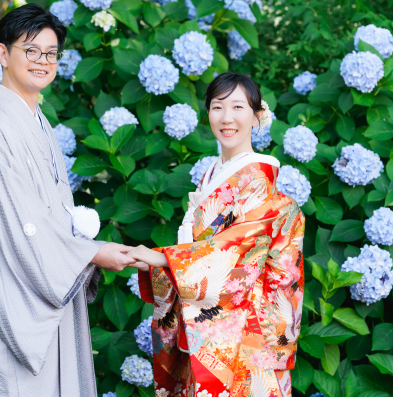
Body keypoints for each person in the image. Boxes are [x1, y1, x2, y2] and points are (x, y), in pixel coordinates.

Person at [0, 3, 135, 396]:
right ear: (3, 54)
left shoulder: (38, 121)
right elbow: (22, 226)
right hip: (13, 301)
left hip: (44, 288)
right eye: (30, 50)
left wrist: (85, 250)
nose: (42, 61)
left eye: (50, 54)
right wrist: (91, 253)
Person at [127, 72, 305, 397]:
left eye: (238, 107)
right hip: (209, 323)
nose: (226, 118)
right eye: (217, 107)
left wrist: (161, 259)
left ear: (257, 115)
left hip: (246, 334)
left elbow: (236, 252)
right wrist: (167, 264)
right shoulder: (215, 173)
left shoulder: (258, 182)